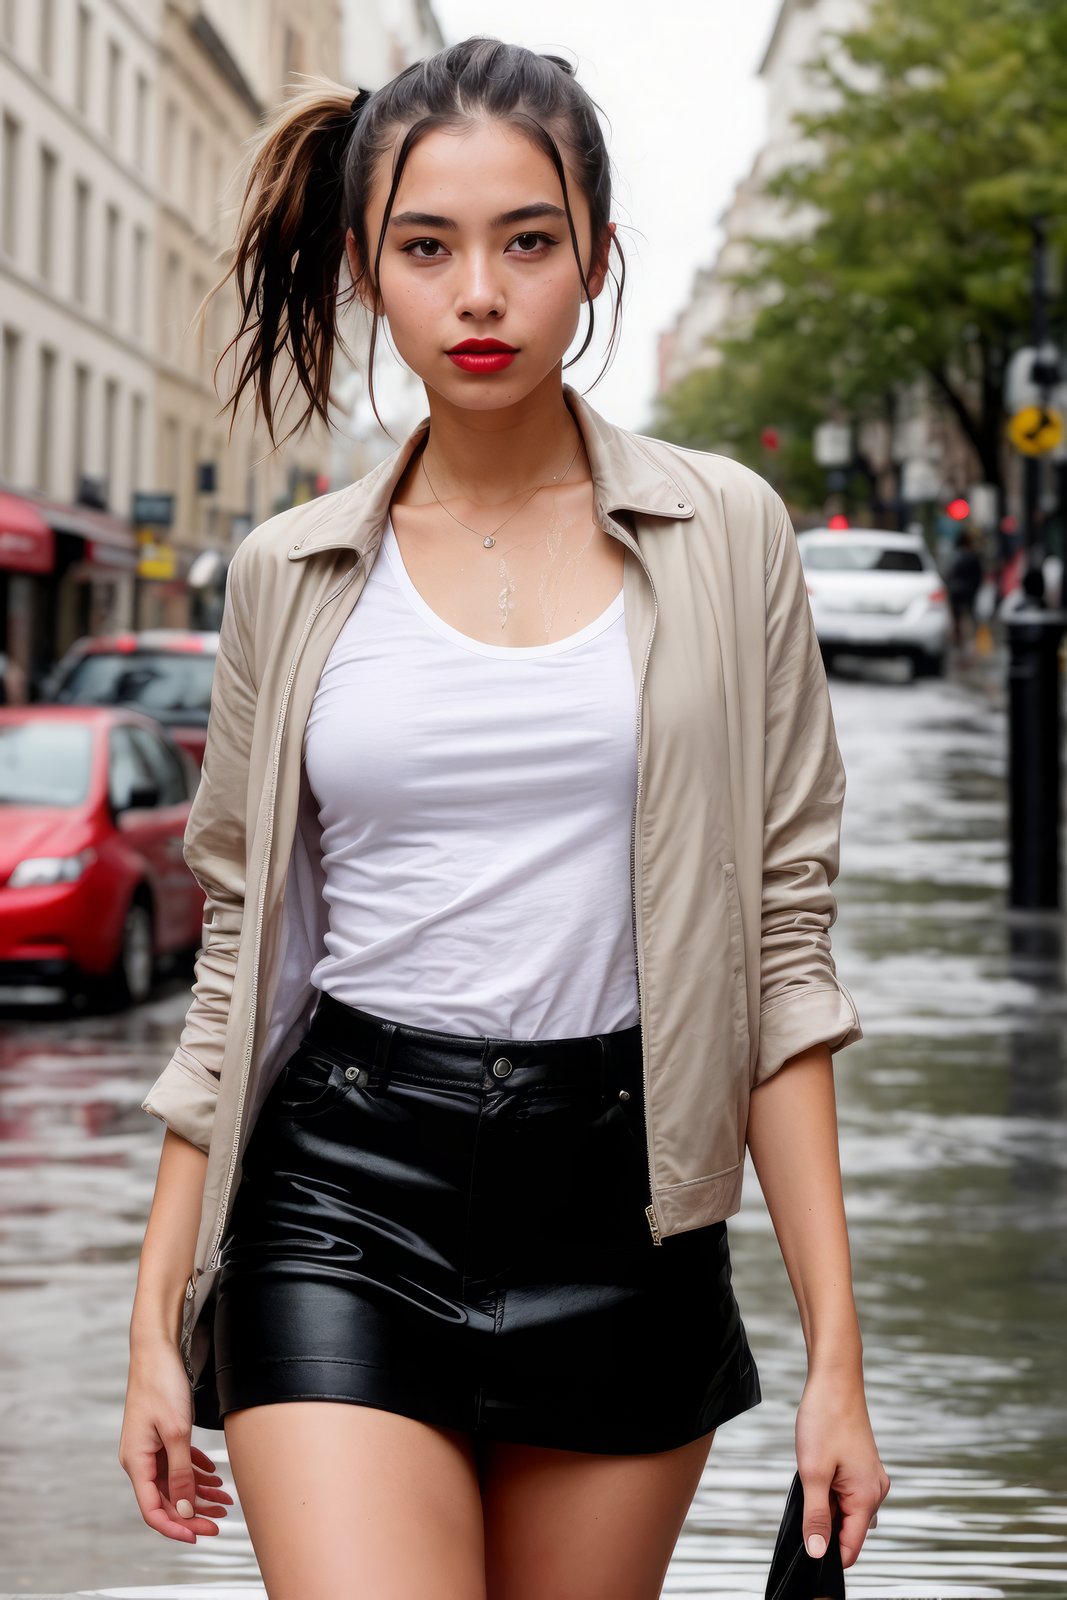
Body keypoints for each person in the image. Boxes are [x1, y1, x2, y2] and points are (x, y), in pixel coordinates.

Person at [120, 39, 889, 1599]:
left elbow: (781, 959)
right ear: (366, 269)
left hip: (628, 1211)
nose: (478, 292)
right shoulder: (288, 573)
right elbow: (238, 973)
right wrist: (156, 1320)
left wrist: (836, 1361)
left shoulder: (726, 533)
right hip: (339, 1196)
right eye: (426, 246)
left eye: (525, 242)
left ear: (594, 256)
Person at [946, 528, 984, 647]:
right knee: (971, 614)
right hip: (968, 590)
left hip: (956, 590)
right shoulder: (973, 556)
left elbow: (949, 573)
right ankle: (973, 639)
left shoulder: (955, 555)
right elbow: (978, 575)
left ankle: (960, 638)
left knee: (958, 616)